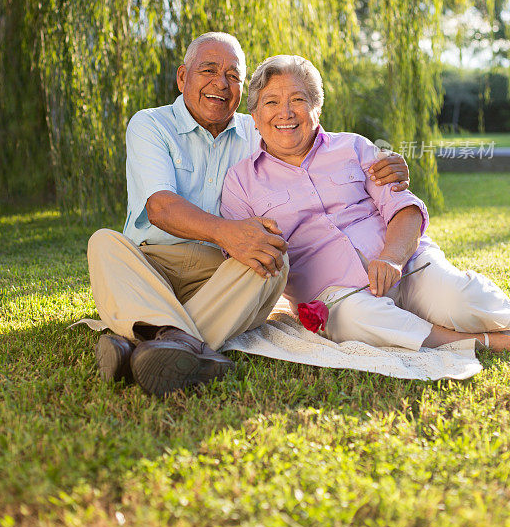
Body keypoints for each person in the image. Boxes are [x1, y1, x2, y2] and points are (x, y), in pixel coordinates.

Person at [87, 34, 410, 397]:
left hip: (223, 273)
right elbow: (161, 207)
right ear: (182, 78)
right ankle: (181, 347)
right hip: (150, 264)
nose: (220, 84)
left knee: (273, 256)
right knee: (103, 243)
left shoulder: (259, 128)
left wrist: (381, 163)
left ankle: (141, 344)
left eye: (233, 76)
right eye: (208, 70)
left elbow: (317, 151)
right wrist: (228, 232)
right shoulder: (150, 125)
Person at [220, 54, 510, 355]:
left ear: (317, 108)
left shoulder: (354, 147)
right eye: (271, 102)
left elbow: (403, 207)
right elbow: (239, 252)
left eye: (298, 100)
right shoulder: (240, 182)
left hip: (406, 265)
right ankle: (488, 342)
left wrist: (392, 259)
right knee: (359, 321)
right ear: (256, 117)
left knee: (459, 300)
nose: (285, 112)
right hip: (334, 296)